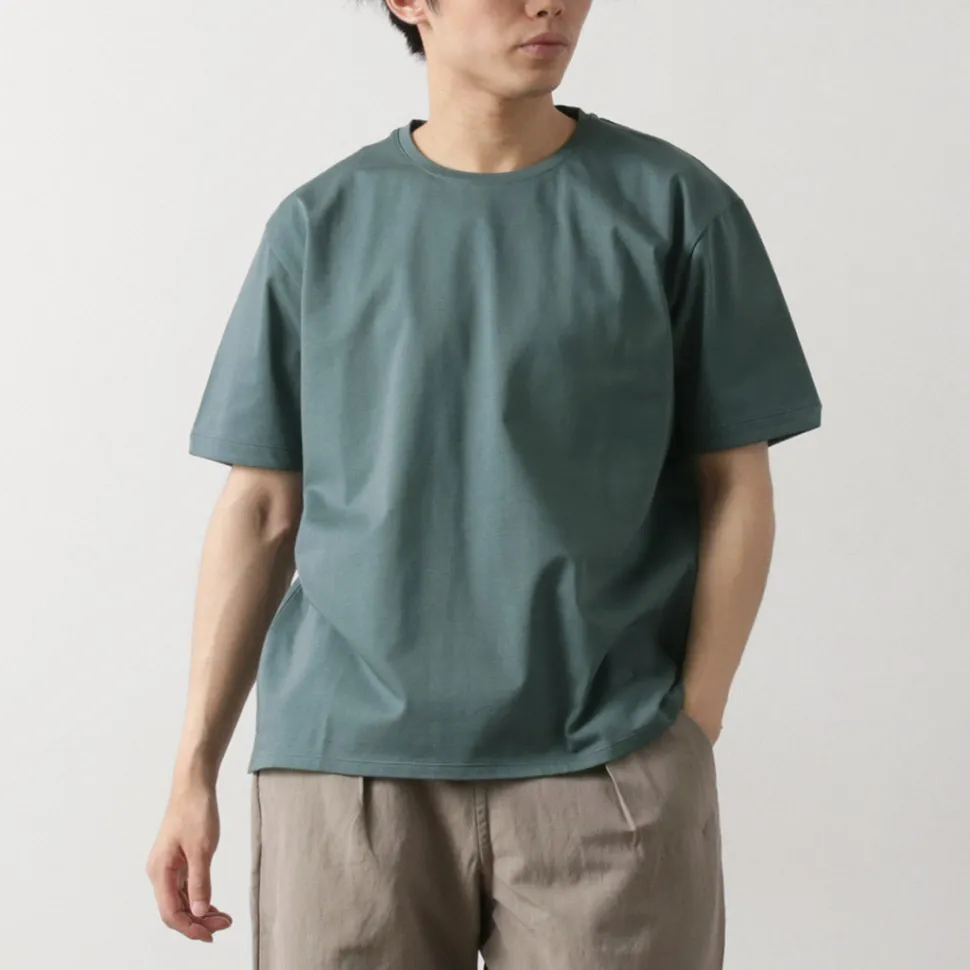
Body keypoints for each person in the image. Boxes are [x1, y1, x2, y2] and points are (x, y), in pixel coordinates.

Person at [146, 1, 823, 967]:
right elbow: (260, 510)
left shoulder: (676, 208)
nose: (551, 3)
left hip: (607, 766)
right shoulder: (320, 225)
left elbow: (736, 485)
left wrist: (690, 727)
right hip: (346, 776)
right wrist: (192, 772)